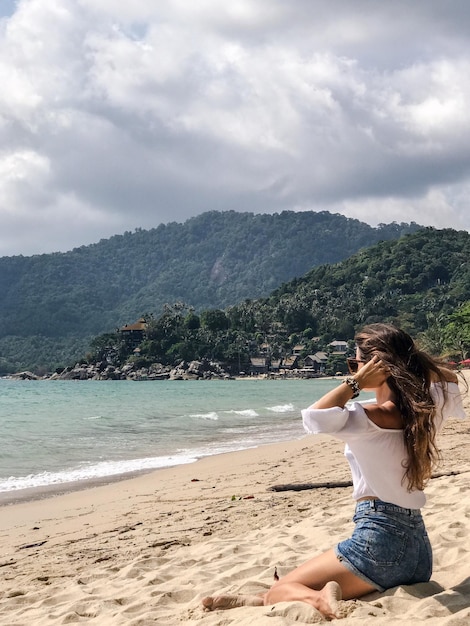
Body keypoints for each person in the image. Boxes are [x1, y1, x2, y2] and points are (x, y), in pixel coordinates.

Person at [202, 323, 466, 619]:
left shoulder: (367, 418)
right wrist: (404, 363)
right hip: (419, 555)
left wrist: (354, 383)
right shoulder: (425, 411)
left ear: (376, 367)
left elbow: (314, 417)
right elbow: (449, 378)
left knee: (283, 588)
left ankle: (316, 600)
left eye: (355, 363)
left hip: (380, 544)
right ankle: (258, 599)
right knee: (283, 588)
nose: (354, 370)